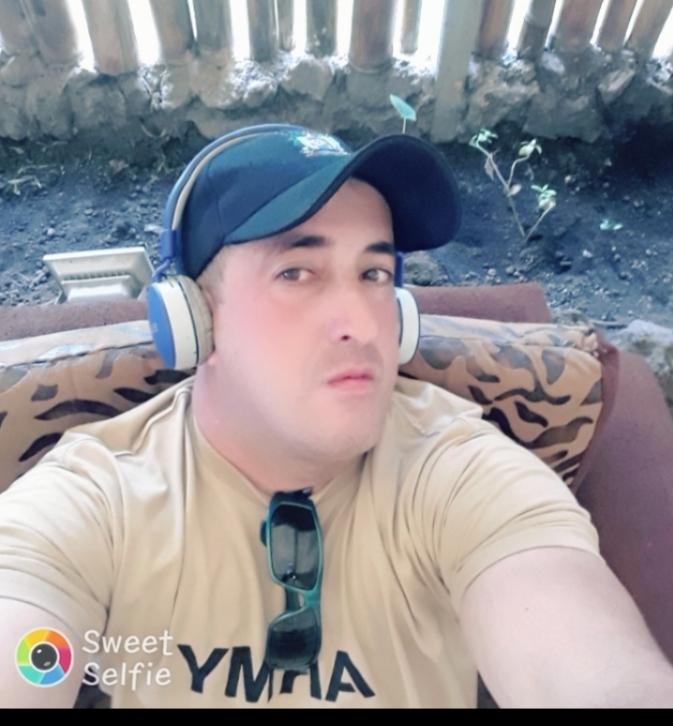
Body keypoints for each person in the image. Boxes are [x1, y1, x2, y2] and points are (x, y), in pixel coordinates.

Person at [1, 123, 672, 709]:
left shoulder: (461, 472)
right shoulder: (96, 498)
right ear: (193, 319)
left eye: (374, 275)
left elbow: (578, 656)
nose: (362, 323)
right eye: (297, 272)